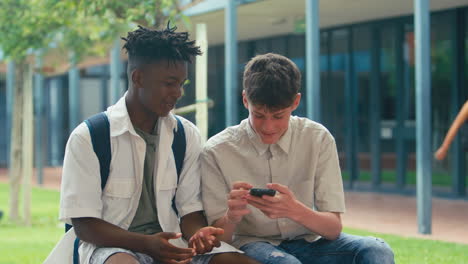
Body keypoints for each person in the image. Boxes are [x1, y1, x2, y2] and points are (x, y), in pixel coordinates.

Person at [46, 25, 259, 264]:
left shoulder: (185, 135)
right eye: (169, 83)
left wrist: (198, 234)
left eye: (182, 84)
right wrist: (147, 244)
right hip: (112, 248)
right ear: (138, 77)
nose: (178, 93)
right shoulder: (90, 137)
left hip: (173, 244)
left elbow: (190, 211)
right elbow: (84, 225)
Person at [201, 53, 395, 264]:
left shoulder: (318, 138)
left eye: (278, 116)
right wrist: (231, 217)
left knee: (377, 250)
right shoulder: (217, 150)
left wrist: (294, 210)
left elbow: (333, 228)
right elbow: (219, 241)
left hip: (309, 242)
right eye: (258, 115)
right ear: (245, 99)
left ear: (296, 102)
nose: (268, 127)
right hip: (252, 243)